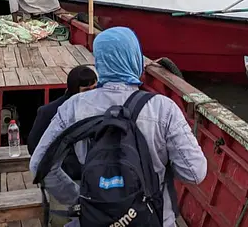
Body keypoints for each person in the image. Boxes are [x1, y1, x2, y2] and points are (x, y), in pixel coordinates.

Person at [30, 27, 207, 227]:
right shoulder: (163, 108)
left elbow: (39, 166)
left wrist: (79, 199)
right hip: (154, 219)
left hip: (95, 219)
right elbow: (195, 173)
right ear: (135, 58)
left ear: (100, 62)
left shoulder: (73, 106)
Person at [27, 65, 97, 155]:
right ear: (74, 91)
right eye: (86, 90)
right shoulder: (49, 112)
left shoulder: (100, 106)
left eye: (95, 88)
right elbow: (34, 147)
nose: (92, 94)